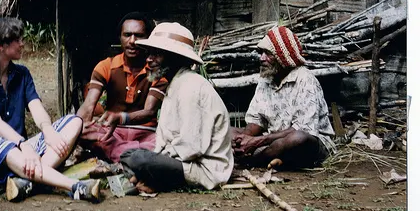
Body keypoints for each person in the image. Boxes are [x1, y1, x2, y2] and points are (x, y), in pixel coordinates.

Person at [0, 17, 100, 202]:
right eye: (17, 39)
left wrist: (48, 130)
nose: (22, 44)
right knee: (2, 143)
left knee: (74, 121)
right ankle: (73, 186)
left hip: (21, 154)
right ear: (0, 45)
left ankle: (28, 181)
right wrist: (23, 145)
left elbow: (36, 107)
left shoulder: (21, 74)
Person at [119, 22, 234, 193]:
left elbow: (191, 147)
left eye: (157, 54)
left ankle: (149, 179)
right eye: (149, 54)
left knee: (140, 159)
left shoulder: (191, 87)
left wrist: (156, 160)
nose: (149, 60)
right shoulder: (176, 84)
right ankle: (149, 178)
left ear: (175, 57)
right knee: (128, 154)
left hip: (203, 168)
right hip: (182, 160)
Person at [232, 26, 336, 169]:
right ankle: (259, 157)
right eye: (261, 53)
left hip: (309, 143)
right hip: (272, 139)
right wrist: (244, 139)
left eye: (268, 54)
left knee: (296, 139)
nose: (262, 58)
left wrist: (256, 142)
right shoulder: (266, 78)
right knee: (227, 131)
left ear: (283, 57)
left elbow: (303, 130)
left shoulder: (305, 79)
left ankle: (249, 162)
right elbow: (257, 120)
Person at [77, 12, 168, 163]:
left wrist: (121, 118)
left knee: (162, 142)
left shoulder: (157, 71)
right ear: (120, 38)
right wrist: (78, 126)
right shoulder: (106, 66)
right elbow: (89, 105)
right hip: (112, 132)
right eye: (127, 35)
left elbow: (149, 111)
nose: (132, 41)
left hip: (146, 133)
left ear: (148, 39)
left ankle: (121, 154)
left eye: (139, 35)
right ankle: (135, 156)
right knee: (85, 132)